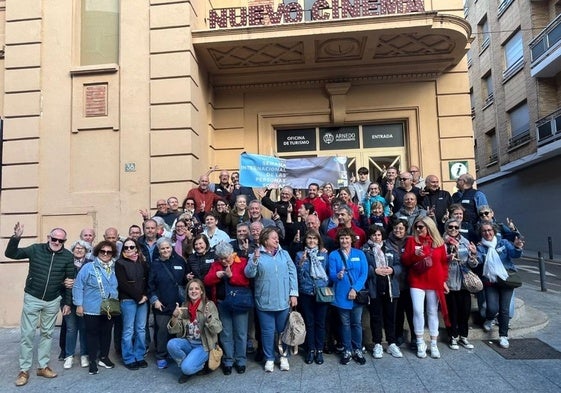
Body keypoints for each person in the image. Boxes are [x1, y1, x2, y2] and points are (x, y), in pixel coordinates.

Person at [6, 224, 75, 386]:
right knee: (28, 334)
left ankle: (43, 366)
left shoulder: (67, 256)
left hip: (53, 300)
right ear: (48, 238)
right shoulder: (35, 249)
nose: (57, 242)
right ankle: (24, 369)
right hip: (33, 297)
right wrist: (16, 237)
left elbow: (69, 282)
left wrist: (67, 302)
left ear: (64, 241)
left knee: (47, 334)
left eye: (60, 240)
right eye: (54, 238)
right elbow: (11, 254)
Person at [245, 227, 298, 372]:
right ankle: (269, 358)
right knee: (267, 332)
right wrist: (254, 260)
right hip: (264, 301)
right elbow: (249, 274)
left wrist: (293, 294)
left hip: (283, 300)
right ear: (265, 240)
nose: (277, 240)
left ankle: (283, 356)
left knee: (282, 331)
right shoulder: (257, 254)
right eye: (273, 238)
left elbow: (293, 273)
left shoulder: (284, 254)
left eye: (277, 237)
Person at [401, 217, 449, 359]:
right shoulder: (412, 241)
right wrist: (414, 255)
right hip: (417, 279)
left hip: (434, 280)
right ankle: (420, 341)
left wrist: (444, 281)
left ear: (429, 227)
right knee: (417, 310)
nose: (418, 229)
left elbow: (443, 264)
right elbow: (405, 260)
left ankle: (433, 343)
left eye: (421, 227)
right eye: (416, 227)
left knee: (432, 311)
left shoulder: (439, 243)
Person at [474, 221, 524, 349]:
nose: (487, 233)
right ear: (481, 233)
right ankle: (489, 319)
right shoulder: (480, 247)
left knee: (504, 309)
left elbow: (514, 254)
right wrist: (473, 257)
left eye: (489, 230)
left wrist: (518, 247)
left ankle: (503, 336)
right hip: (491, 282)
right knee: (492, 308)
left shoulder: (504, 243)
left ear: (494, 231)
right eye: (484, 231)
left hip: (507, 280)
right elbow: (477, 260)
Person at [204, 242, 251, 375]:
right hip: (222, 303)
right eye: (221, 258)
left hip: (239, 303)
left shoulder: (241, 261)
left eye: (226, 257)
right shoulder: (215, 265)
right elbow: (206, 281)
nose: (224, 261)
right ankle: (228, 361)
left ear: (232, 254)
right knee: (226, 333)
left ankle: (241, 360)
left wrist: (231, 277)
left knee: (241, 333)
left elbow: (246, 281)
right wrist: (216, 276)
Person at [73, 240, 119, 375]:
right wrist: (79, 305)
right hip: (91, 307)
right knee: (92, 334)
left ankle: (104, 357)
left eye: (109, 252)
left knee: (106, 333)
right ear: (97, 252)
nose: (105, 254)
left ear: (112, 254)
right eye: (102, 251)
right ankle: (92, 360)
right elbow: (78, 286)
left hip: (109, 307)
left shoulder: (115, 267)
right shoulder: (88, 267)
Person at [167, 279, 223, 384]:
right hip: (189, 343)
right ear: (187, 292)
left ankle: (194, 366)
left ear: (201, 291)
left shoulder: (209, 305)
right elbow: (173, 331)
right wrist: (174, 316)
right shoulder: (184, 306)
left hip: (204, 345)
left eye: (197, 288)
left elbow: (218, 329)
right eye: (190, 289)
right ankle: (189, 364)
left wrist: (209, 319)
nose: (194, 291)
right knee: (171, 344)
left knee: (186, 369)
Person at [329, 227, 368, 366]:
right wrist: (337, 276)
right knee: (344, 324)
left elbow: (364, 274)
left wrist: (355, 289)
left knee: (356, 323)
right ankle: (347, 349)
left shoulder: (360, 254)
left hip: (356, 295)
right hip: (341, 295)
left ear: (352, 239)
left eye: (346, 238)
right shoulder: (333, 255)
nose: (344, 240)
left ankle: (358, 349)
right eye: (341, 238)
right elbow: (331, 274)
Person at [362, 226, 403, 359]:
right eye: (374, 235)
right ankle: (378, 343)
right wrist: (373, 271)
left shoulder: (390, 248)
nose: (376, 237)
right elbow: (362, 267)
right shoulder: (365, 250)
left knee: (391, 316)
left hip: (390, 287)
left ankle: (391, 343)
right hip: (374, 287)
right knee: (376, 317)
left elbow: (399, 265)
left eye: (379, 235)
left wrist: (392, 270)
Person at [149, 237, 189, 369]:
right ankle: (161, 355)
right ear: (159, 250)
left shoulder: (180, 261)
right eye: (162, 248)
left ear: (171, 248)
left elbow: (184, 281)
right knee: (162, 330)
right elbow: (150, 285)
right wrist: (154, 300)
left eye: (168, 247)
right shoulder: (154, 265)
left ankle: (174, 353)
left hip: (178, 303)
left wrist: (187, 278)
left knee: (177, 329)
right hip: (161, 304)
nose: (165, 250)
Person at [295, 229, 330, 365]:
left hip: (321, 292)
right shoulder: (299, 255)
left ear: (318, 241)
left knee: (320, 323)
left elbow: (327, 272)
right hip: (306, 292)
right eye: (309, 238)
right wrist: (301, 264)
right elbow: (298, 276)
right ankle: (310, 349)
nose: (312, 241)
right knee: (309, 323)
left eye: (314, 239)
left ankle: (319, 350)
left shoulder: (324, 254)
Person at [443, 218, 478, 351]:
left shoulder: (465, 242)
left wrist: (473, 255)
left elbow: (473, 264)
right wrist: (447, 258)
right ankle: (453, 336)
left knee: (465, 311)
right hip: (450, 281)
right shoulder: (442, 243)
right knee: (452, 311)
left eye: (456, 227)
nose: (453, 230)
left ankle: (464, 336)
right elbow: (438, 262)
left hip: (464, 281)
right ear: (446, 228)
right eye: (450, 227)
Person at [115, 238, 149, 370]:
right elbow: (122, 283)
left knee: (141, 329)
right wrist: (138, 296)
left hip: (143, 301)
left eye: (132, 247)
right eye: (126, 247)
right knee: (128, 330)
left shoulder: (142, 262)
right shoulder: (120, 263)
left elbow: (147, 280)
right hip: (128, 301)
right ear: (123, 250)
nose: (129, 249)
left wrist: (145, 295)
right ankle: (128, 358)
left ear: (136, 248)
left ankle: (139, 355)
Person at [386, 217, 415, 350]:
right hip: (394, 282)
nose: (398, 230)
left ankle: (415, 336)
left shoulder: (410, 241)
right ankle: (398, 335)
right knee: (397, 312)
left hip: (410, 281)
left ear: (406, 230)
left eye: (401, 228)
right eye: (396, 228)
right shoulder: (387, 243)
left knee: (411, 311)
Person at [63, 240, 92, 370]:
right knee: (71, 329)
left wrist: (76, 282)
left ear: (86, 251)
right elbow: (59, 280)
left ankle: (84, 354)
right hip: (68, 301)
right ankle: (69, 355)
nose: (79, 250)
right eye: (77, 248)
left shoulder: (90, 264)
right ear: (73, 250)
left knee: (84, 328)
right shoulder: (66, 263)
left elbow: (92, 283)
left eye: (82, 248)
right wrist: (64, 283)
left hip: (85, 302)